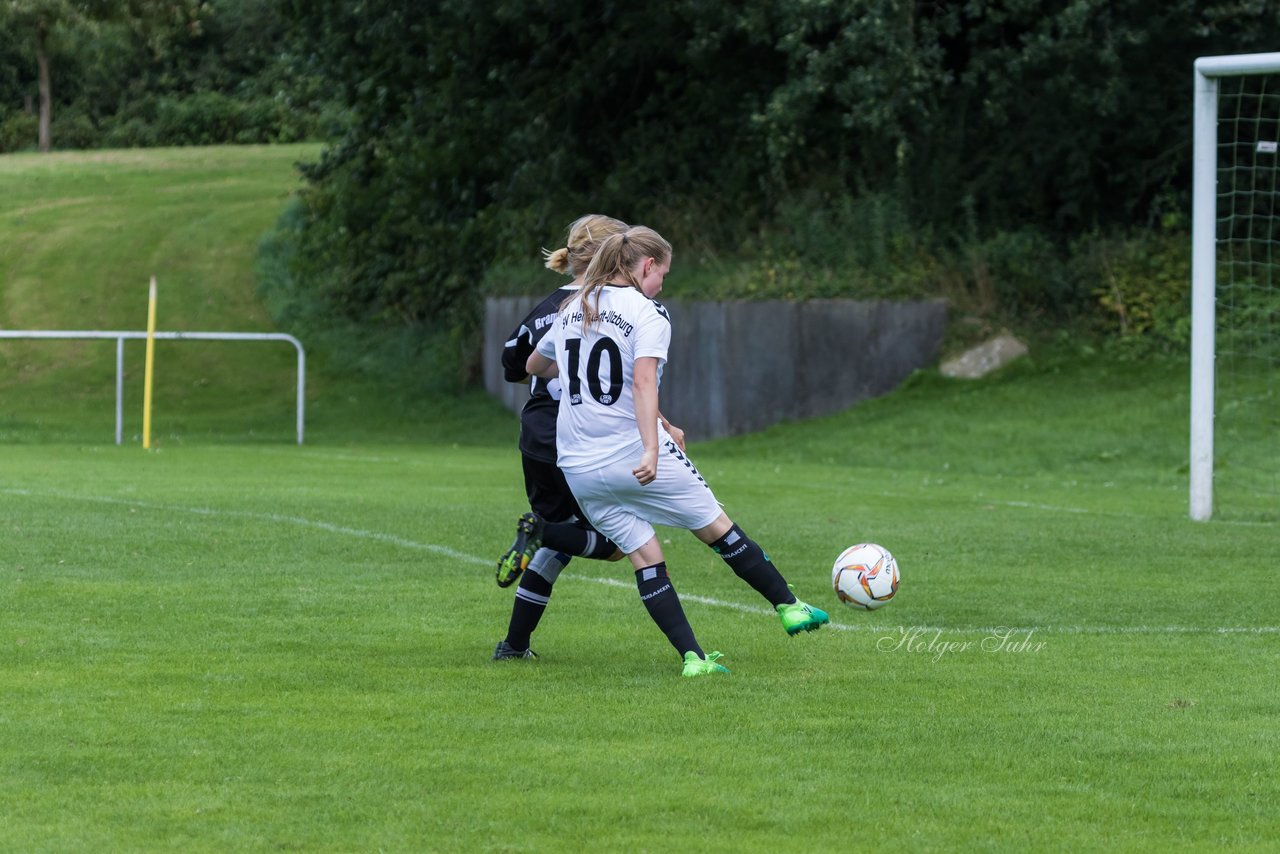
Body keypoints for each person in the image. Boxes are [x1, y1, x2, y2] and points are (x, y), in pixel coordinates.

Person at [525, 225, 829, 678]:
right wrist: (652, 448)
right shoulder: (648, 312)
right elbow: (644, 380)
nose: (662, 283)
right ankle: (789, 606)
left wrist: (573, 381)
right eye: (662, 274)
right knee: (717, 528)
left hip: (577, 464)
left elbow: (534, 365)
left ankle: (694, 658)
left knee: (645, 555)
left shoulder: (574, 307)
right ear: (646, 266)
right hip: (631, 453)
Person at [492, 214, 678, 661]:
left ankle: (514, 646)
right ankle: (540, 532)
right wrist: (663, 428)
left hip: (536, 433)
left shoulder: (547, 308)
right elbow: (630, 381)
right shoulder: (618, 307)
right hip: (586, 435)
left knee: (563, 537)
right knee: (614, 545)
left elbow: (513, 364)